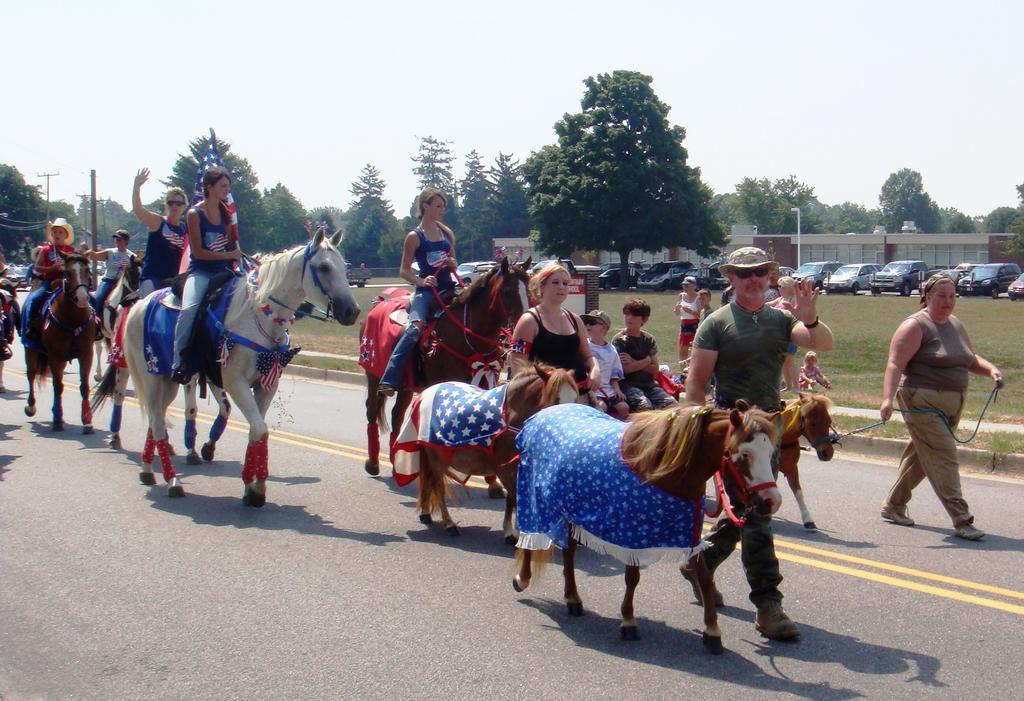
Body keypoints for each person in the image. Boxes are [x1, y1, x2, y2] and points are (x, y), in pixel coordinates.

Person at [683, 246, 833, 641]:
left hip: (771, 427)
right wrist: (696, 428)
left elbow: (824, 341)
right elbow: (696, 383)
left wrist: (810, 315)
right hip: (735, 430)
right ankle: (768, 605)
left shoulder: (782, 320)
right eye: (744, 273)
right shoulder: (715, 323)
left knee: (752, 510)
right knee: (758, 515)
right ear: (730, 278)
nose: (753, 280)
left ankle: (701, 561)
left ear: (769, 277)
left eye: (760, 273)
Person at [879, 273, 1003, 541]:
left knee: (922, 458)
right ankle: (961, 518)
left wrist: (992, 371)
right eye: (941, 296)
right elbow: (894, 364)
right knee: (944, 456)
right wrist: (887, 399)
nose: (948, 302)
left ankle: (894, 505)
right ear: (927, 296)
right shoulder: (915, 326)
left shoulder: (955, 324)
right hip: (920, 400)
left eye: (952, 296)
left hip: (952, 402)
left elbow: (969, 359)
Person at [377, 187, 459, 396]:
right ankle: (390, 379)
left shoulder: (446, 233)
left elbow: (454, 264)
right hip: (426, 293)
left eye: (443, 206)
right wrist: (422, 281)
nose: (442, 210)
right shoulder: (414, 237)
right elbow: (404, 271)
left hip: (448, 289)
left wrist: (452, 264)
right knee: (414, 329)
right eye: (438, 206)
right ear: (425, 206)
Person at [170, 166, 241, 383]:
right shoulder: (195, 214)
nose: (226, 190)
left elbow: (230, 247)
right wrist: (229, 253)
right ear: (209, 188)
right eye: (222, 186)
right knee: (190, 310)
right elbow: (199, 252)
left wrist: (234, 258)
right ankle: (178, 362)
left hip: (225, 273)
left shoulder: (226, 214)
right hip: (201, 273)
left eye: (228, 186)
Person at [509, 263, 599, 392]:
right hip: (544, 397)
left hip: (578, 392)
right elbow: (517, 365)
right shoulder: (529, 321)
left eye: (566, 283)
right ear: (542, 286)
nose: (561, 287)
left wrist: (595, 370)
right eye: (555, 282)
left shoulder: (575, 320)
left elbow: (588, 357)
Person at [612, 298, 677, 411]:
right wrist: (646, 361)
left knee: (672, 405)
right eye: (627, 314)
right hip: (628, 385)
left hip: (649, 385)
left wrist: (634, 362)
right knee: (644, 407)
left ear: (644, 319)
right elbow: (626, 369)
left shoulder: (648, 339)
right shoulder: (619, 340)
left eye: (634, 315)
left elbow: (655, 369)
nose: (629, 318)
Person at [21, 219, 77, 347]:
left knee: (88, 300)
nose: (57, 235)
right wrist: (51, 269)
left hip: (66, 283)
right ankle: (31, 327)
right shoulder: (46, 250)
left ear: (66, 235)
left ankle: (93, 327)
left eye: (60, 232)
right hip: (49, 282)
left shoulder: (71, 250)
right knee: (34, 299)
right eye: (55, 232)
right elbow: (37, 268)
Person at [132, 168, 188, 298]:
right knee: (149, 306)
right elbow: (138, 210)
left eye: (179, 203)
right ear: (166, 205)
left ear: (184, 207)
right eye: (171, 202)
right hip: (152, 278)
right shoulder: (157, 222)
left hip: (176, 281)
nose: (174, 206)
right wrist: (137, 187)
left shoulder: (185, 229)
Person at [582, 309, 628, 419]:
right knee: (601, 407)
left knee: (624, 407)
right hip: (592, 391)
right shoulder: (584, 346)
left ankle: (619, 432)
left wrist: (617, 389)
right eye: (586, 322)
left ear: (604, 328)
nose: (588, 325)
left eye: (592, 323)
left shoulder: (611, 350)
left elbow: (614, 373)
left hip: (608, 390)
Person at [87, 230, 135, 313]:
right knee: (98, 298)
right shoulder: (110, 252)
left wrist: (127, 268)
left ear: (126, 241)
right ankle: (95, 318)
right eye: (116, 239)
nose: (117, 241)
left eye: (119, 239)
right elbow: (94, 255)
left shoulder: (132, 256)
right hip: (109, 281)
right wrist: (87, 250)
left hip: (124, 283)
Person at [675, 276, 700, 367]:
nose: (684, 287)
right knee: (683, 351)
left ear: (694, 286)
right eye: (683, 285)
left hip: (695, 325)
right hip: (684, 325)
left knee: (695, 350)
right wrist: (677, 309)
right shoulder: (681, 296)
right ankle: (683, 373)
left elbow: (701, 315)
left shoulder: (698, 297)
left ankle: (694, 371)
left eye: (687, 286)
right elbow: (677, 313)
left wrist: (690, 311)